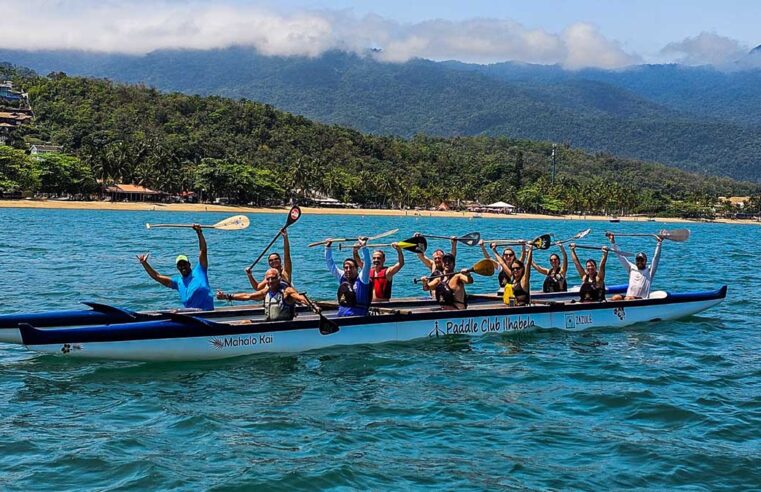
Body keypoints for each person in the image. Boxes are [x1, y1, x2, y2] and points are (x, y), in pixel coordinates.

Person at [137, 224, 214, 310]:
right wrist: (144, 263)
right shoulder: (177, 282)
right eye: (180, 265)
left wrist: (199, 233)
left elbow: (203, 251)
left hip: (208, 314)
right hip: (192, 317)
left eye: (184, 264)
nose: (182, 267)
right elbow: (157, 277)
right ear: (177, 268)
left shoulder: (200, 270)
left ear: (189, 264)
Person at [216, 268, 307, 321]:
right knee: (245, 322)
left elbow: (300, 297)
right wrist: (227, 296)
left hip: (285, 326)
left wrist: (310, 304)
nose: (270, 281)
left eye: (273, 278)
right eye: (268, 279)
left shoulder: (287, 291)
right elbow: (248, 296)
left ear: (279, 279)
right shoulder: (266, 291)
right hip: (269, 324)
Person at [607, 232, 663, 300]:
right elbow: (620, 256)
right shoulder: (631, 268)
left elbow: (656, 258)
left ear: (645, 261)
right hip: (628, 298)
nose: (639, 262)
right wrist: (613, 242)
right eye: (638, 260)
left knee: (629, 298)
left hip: (642, 300)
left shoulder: (649, 270)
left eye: (642, 260)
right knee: (615, 297)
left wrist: (659, 243)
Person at [326, 238, 371, 316]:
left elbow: (367, 264)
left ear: (356, 269)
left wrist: (364, 247)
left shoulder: (363, 279)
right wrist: (328, 248)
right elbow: (330, 264)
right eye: (346, 267)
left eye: (351, 267)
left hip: (358, 316)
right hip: (341, 315)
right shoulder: (342, 277)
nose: (348, 270)